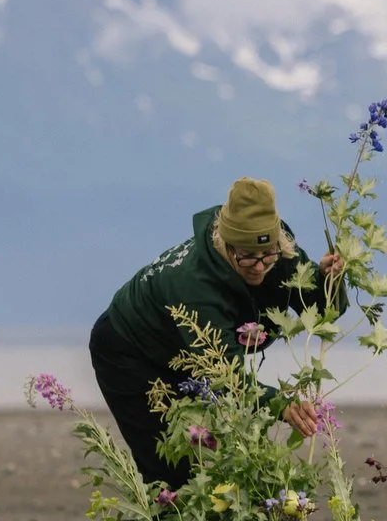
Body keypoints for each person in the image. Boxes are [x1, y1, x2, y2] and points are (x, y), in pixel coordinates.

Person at [89, 176, 344, 486]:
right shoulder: (195, 286)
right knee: (171, 471)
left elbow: (322, 311)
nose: (260, 266)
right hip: (129, 350)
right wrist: (281, 403)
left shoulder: (280, 248)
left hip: (186, 352)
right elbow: (226, 377)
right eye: (247, 256)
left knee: (219, 457)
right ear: (226, 245)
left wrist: (328, 279)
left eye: (268, 255)